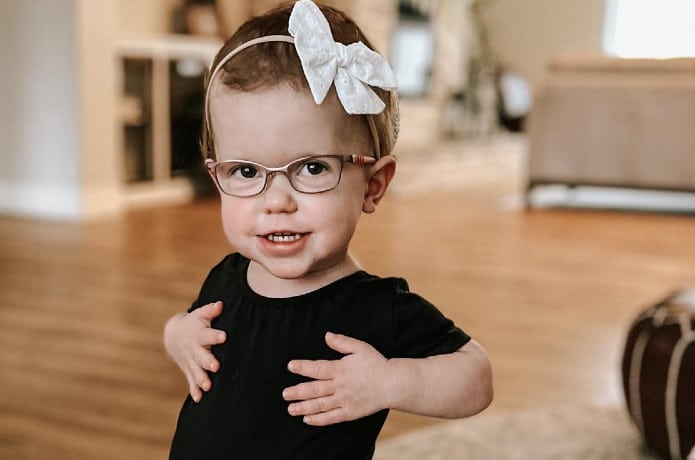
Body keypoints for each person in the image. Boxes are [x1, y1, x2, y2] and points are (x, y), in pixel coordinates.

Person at [163, 1, 492, 458]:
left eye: (313, 168)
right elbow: (185, 324)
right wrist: (177, 335)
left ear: (373, 186)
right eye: (245, 172)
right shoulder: (225, 280)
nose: (276, 201)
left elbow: (475, 377)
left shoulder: (376, 309)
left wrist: (388, 382)